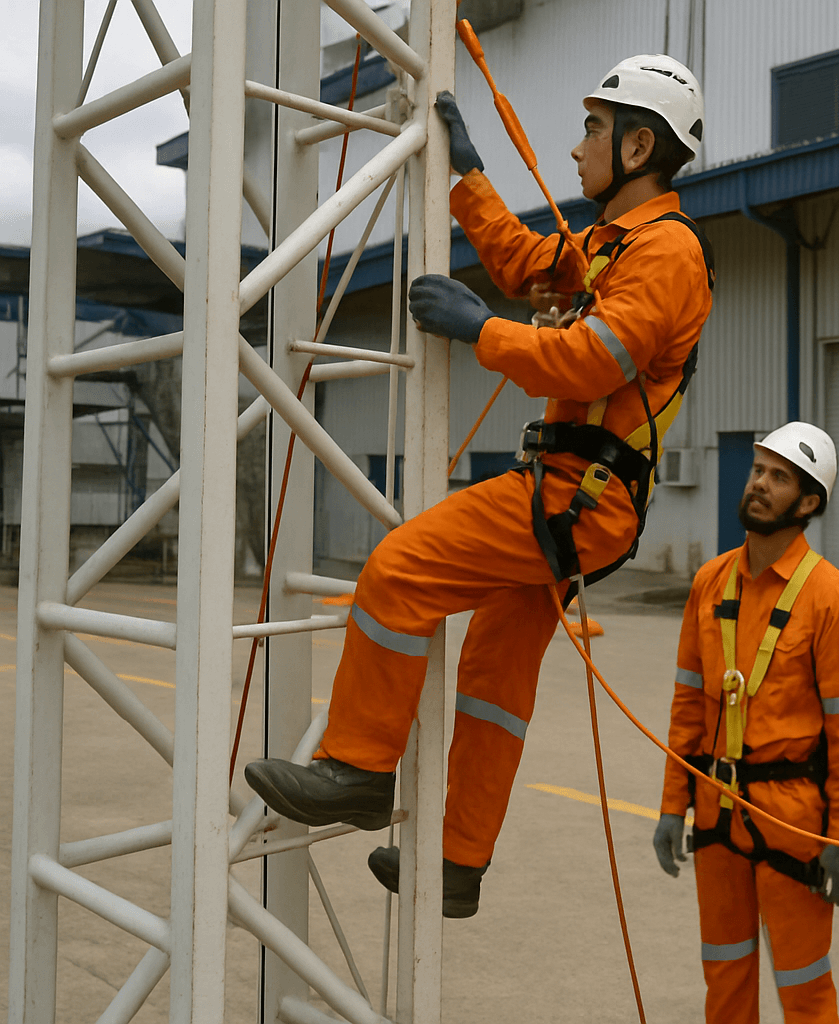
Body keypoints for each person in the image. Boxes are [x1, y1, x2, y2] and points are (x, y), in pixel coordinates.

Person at [244, 55, 714, 918]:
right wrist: (468, 173)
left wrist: (480, 331)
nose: (576, 151)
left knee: (398, 570)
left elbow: (593, 357)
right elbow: (523, 261)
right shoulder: (615, 246)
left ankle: (356, 768)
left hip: (580, 495)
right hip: (582, 500)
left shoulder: (666, 253)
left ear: (640, 144)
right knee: (495, 677)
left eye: (593, 132)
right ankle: (461, 860)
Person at [653, 422, 839, 1024]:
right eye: (757, 470)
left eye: (778, 477)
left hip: (792, 820)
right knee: (724, 974)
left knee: (803, 987)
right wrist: (674, 805)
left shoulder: (833, 598)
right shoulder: (710, 582)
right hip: (715, 807)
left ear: (808, 503)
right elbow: (688, 708)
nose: (758, 484)